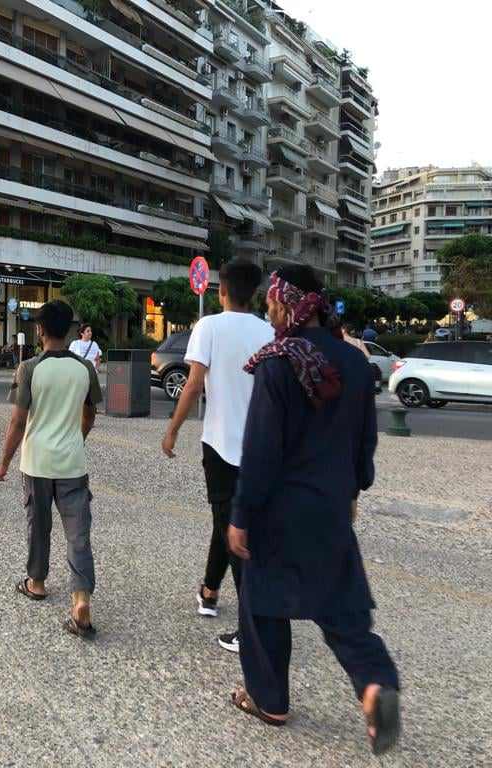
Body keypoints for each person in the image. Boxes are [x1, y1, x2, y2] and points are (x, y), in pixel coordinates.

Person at [228, 266, 400, 755]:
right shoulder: (353, 361)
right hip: (330, 505)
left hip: (278, 509)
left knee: (261, 603)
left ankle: (269, 699)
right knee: (342, 608)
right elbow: (364, 441)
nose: (267, 310)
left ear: (287, 304)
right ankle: (374, 685)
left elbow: (260, 449)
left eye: (271, 302)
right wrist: (354, 490)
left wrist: (241, 513)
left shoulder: (278, 362)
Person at [160, 261, 273, 654]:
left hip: (220, 444)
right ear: (255, 294)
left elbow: (193, 385)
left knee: (233, 530)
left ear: (221, 290)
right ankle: (209, 591)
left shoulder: (208, 326)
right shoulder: (268, 331)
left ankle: (252, 629)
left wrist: (173, 429)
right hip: (260, 447)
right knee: (225, 521)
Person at [0, 300, 103, 640]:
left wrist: (3, 462)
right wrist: (77, 438)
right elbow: (90, 414)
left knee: (38, 525)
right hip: (72, 463)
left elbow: (18, 421)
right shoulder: (84, 369)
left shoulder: (29, 368)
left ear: (39, 330)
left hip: (37, 462)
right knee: (78, 533)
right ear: (69, 330)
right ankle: (81, 598)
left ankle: (37, 582)